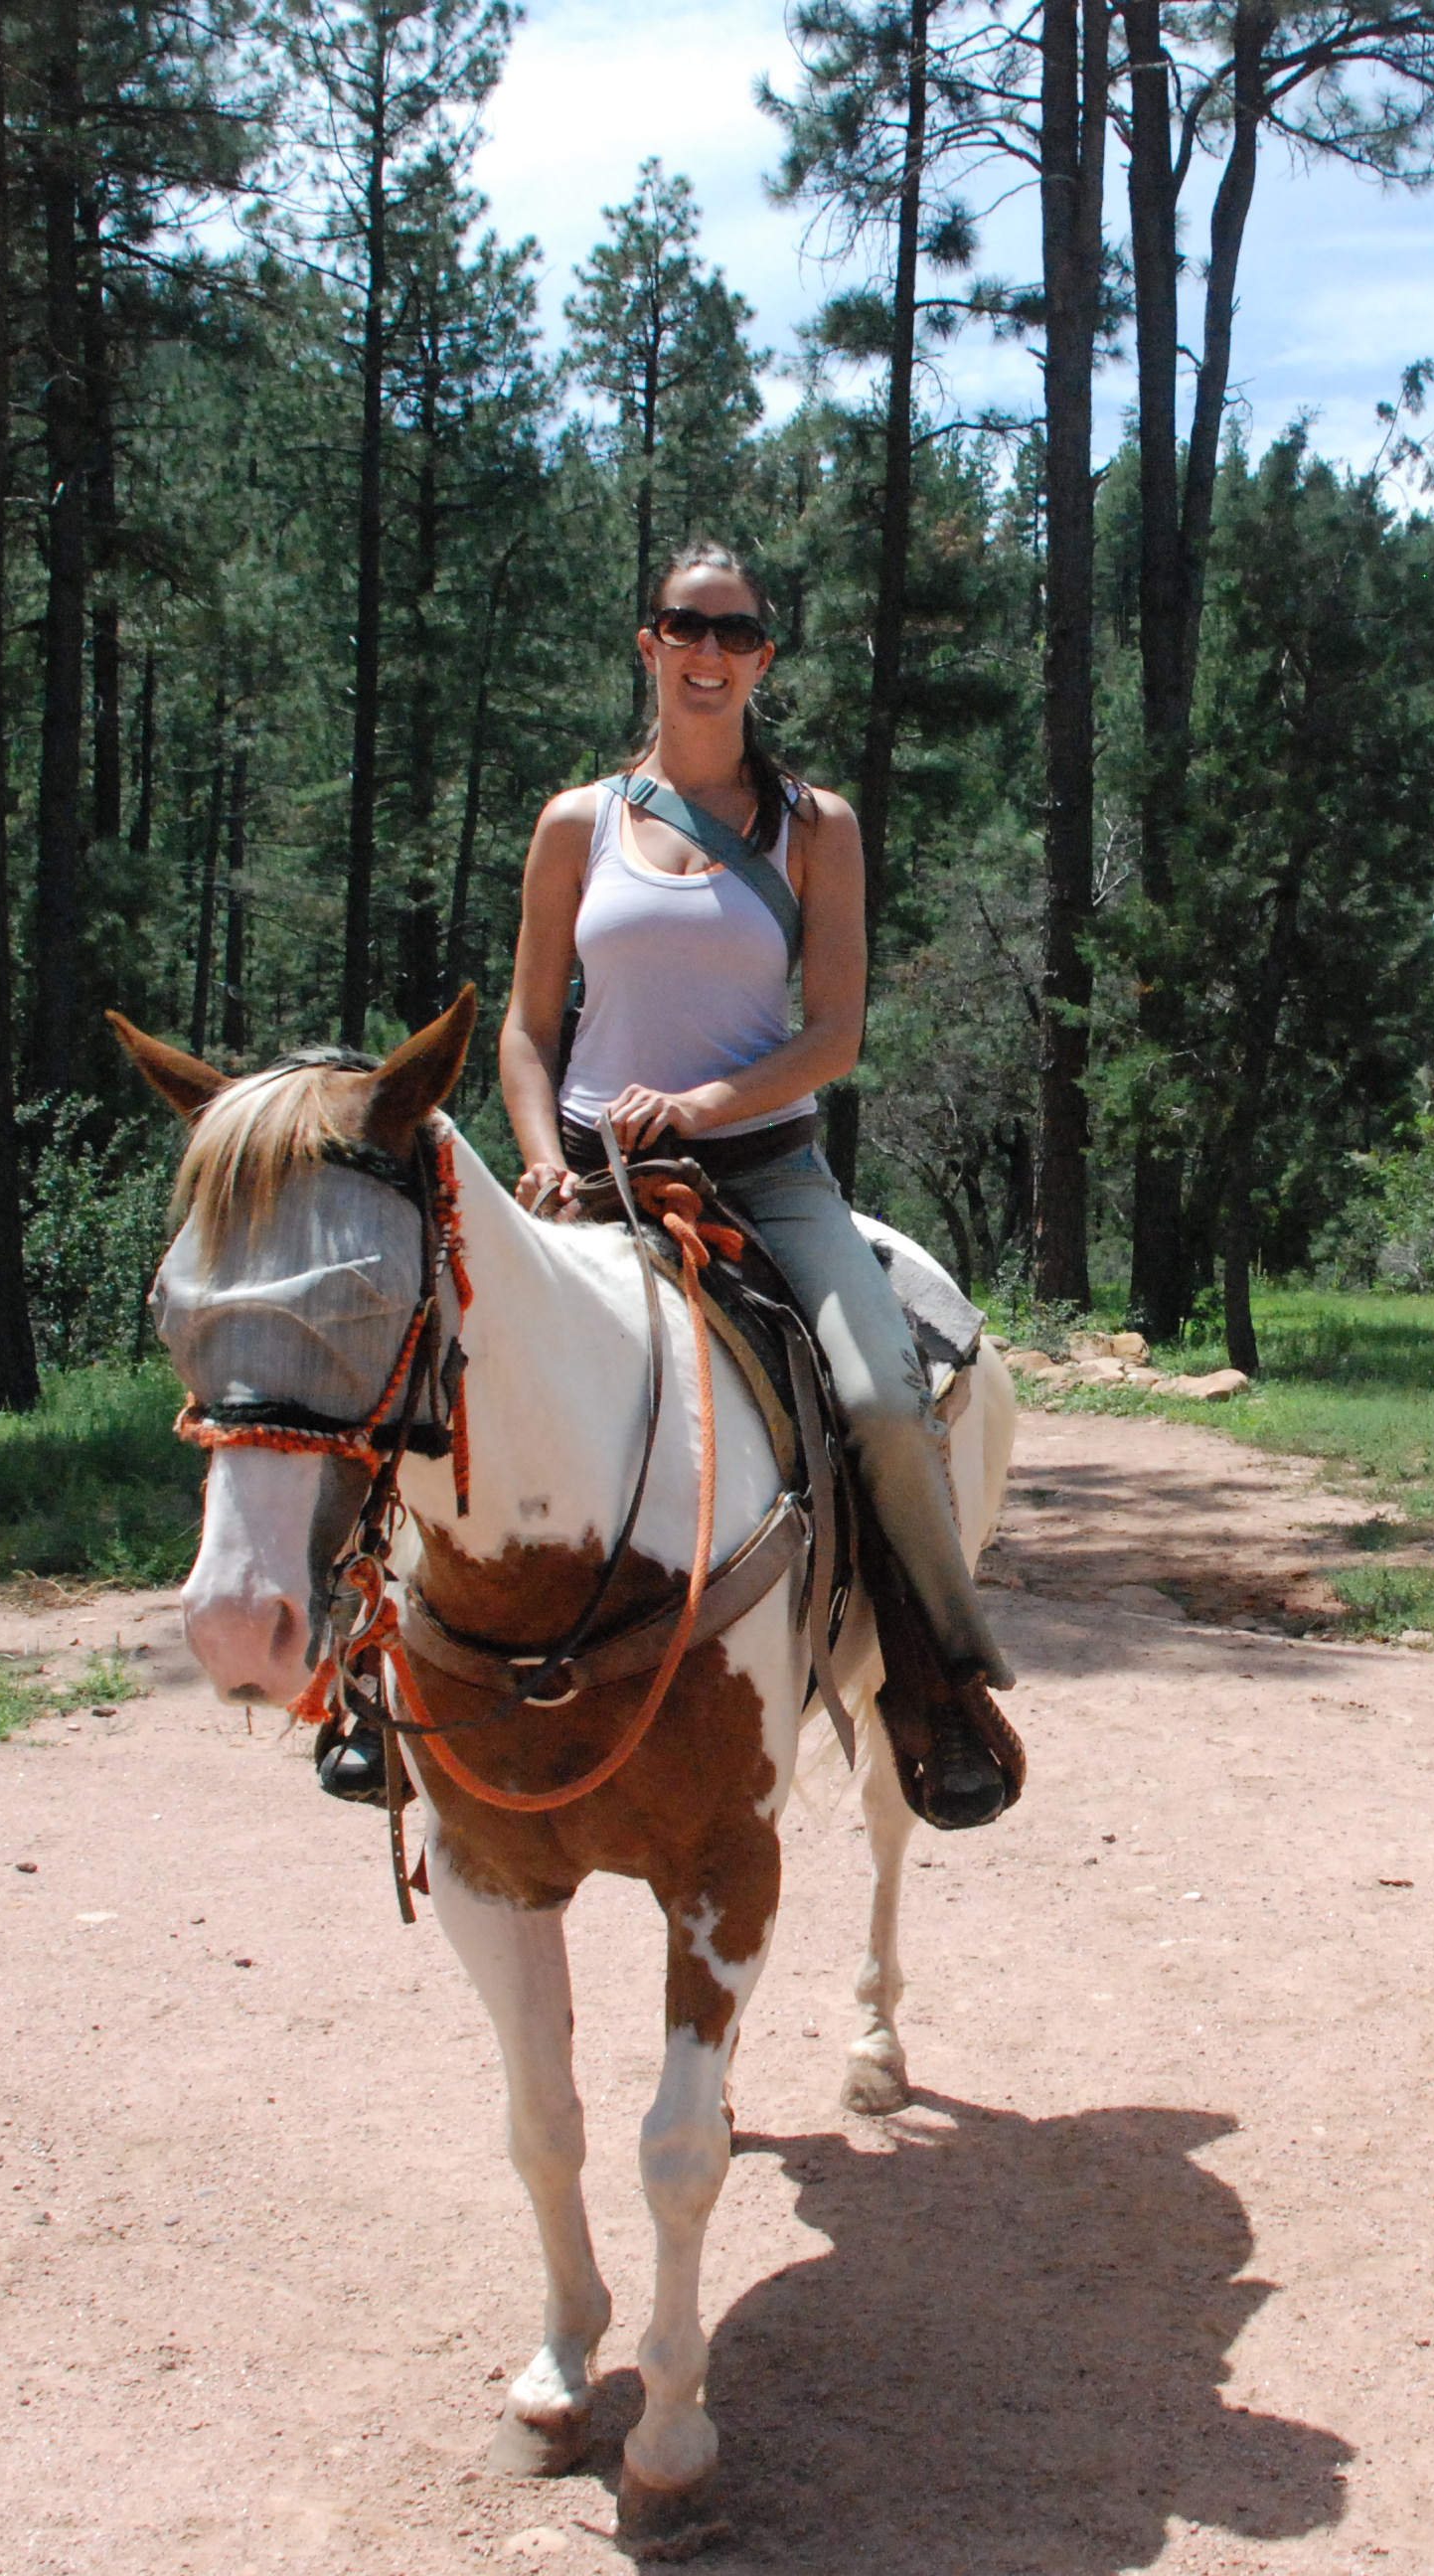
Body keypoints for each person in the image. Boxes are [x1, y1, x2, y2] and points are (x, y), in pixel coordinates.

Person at [484, 538, 1023, 1829]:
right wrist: (546, 1160)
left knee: (886, 1400)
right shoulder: (577, 825)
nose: (710, 653)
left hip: (763, 1176)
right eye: (687, 626)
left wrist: (704, 1106)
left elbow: (834, 1035)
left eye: (737, 633)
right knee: (432, 1368)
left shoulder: (816, 829)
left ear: (764, 658)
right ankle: (381, 1674)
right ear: (650, 645)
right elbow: (524, 1028)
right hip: (593, 1177)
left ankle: (939, 1679)